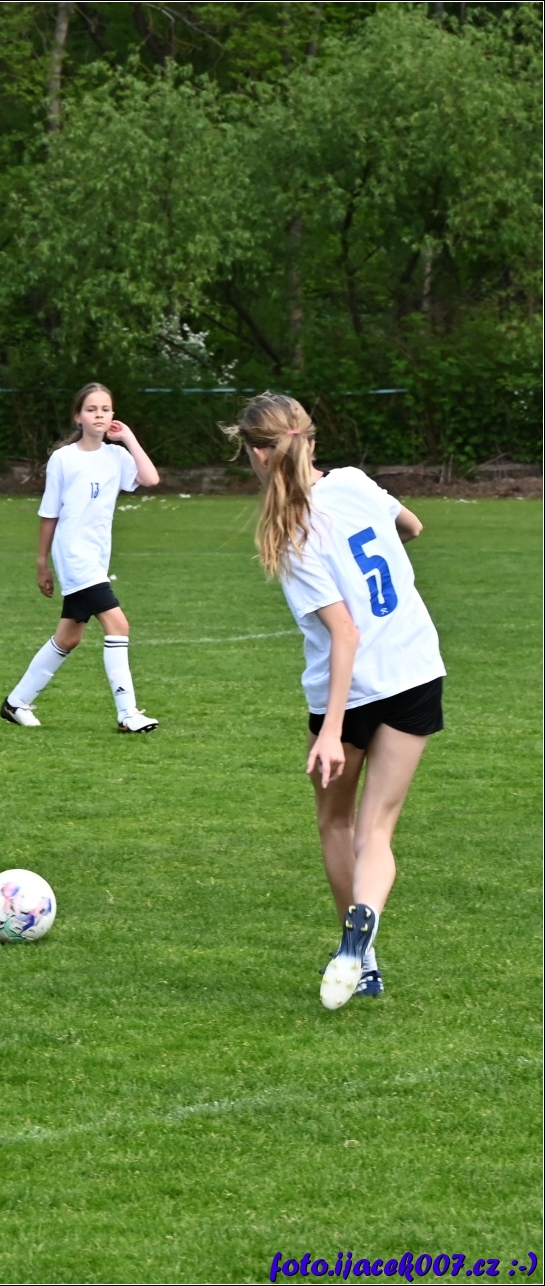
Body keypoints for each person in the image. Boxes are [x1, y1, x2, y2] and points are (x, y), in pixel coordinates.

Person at [225, 393, 444, 1009]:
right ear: (310, 441)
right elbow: (412, 527)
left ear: (258, 454)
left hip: (350, 693)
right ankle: (365, 924)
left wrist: (331, 731)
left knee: (337, 822)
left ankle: (363, 957)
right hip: (415, 669)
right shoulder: (353, 482)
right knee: (377, 829)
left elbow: (344, 633)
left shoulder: (289, 532)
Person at [1, 382, 162, 732]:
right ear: (78, 416)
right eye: (91, 409)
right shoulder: (64, 459)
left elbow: (151, 478)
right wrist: (42, 563)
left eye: (105, 409)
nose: (99, 415)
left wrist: (128, 437)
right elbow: (49, 514)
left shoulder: (117, 456)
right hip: (74, 556)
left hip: (97, 557)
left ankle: (15, 703)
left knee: (69, 637)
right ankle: (128, 713)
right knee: (118, 625)